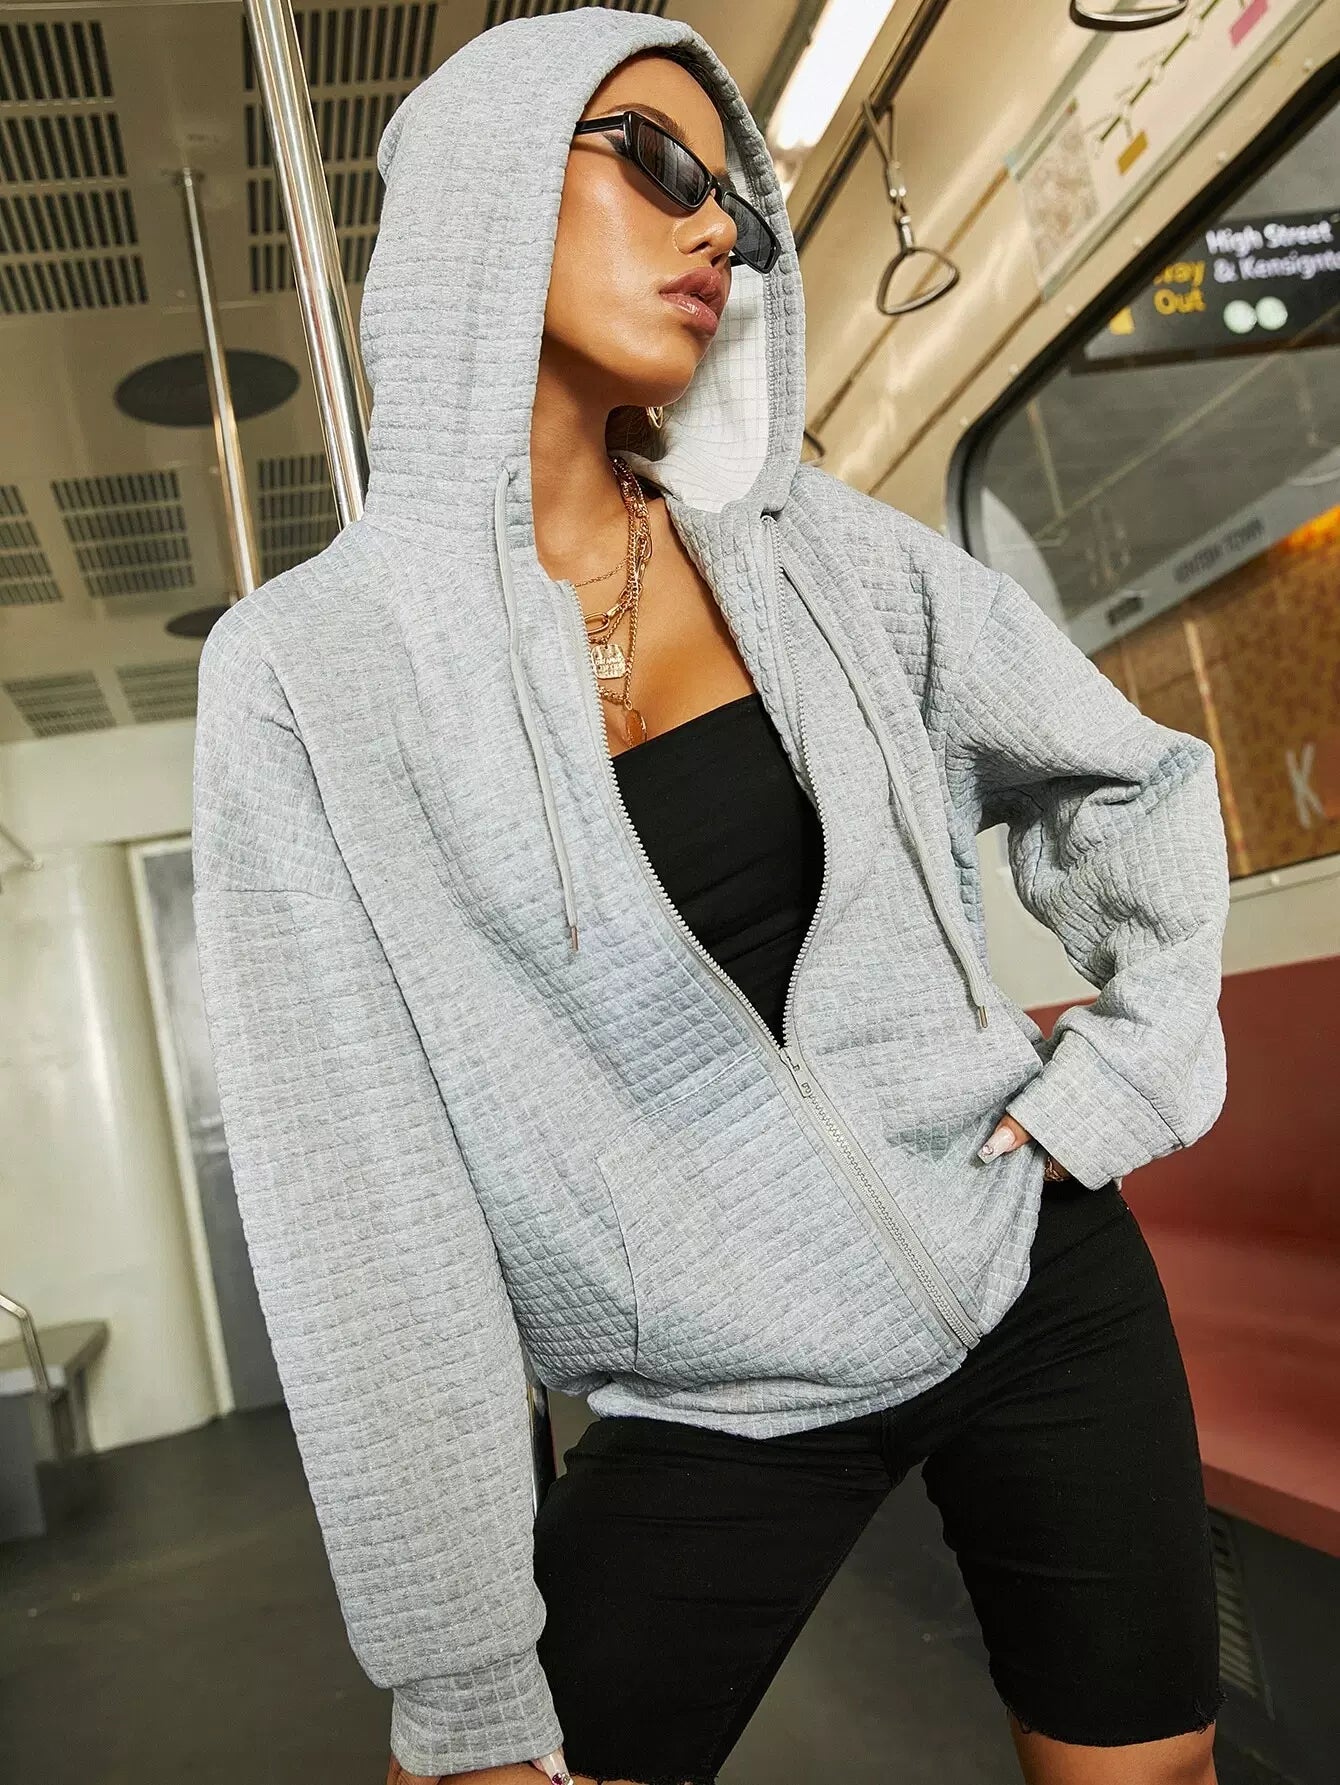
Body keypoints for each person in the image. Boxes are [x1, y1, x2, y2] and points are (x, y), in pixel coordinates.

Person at [191, 11, 1231, 1785]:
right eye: (660, 162)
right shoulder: (308, 677)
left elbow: (1133, 777)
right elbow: (362, 1210)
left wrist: (1123, 1075)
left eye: (737, 205)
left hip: (1026, 1267)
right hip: (708, 1378)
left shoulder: (817, 553)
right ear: (485, 189)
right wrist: (461, 1669)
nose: (718, 229)